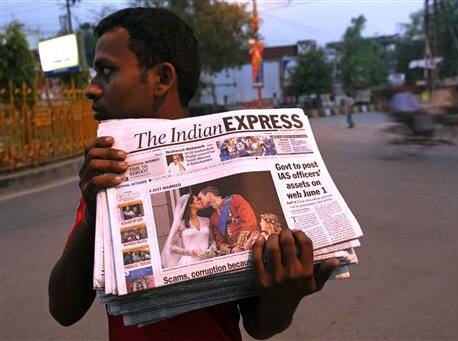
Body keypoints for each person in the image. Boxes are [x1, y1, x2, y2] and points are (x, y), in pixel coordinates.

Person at [48, 7, 340, 340]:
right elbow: (64, 309)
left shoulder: (233, 203)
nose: (92, 88)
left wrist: (284, 297)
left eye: (106, 71)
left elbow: (259, 325)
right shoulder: (110, 176)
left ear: (162, 79)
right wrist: (92, 215)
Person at [197, 186, 260, 254]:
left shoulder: (235, 200)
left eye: (200, 198)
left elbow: (250, 221)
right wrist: (230, 251)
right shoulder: (213, 218)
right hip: (233, 252)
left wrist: (240, 246)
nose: (199, 201)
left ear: (209, 194)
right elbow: (219, 241)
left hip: (251, 244)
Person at [160, 194, 216, 267]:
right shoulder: (181, 224)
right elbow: (171, 246)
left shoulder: (206, 221)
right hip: (190, 262)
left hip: (208, 260)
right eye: (197, 199)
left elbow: (212, 240)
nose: (200, 201)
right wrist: (191, 252)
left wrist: (212, 248)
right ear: (190, 204)